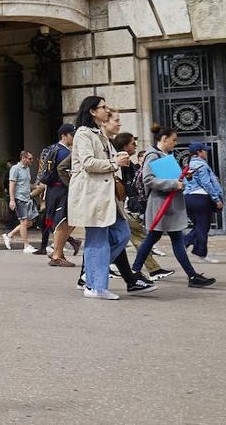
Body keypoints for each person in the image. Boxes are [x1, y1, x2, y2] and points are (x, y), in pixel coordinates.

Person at [68, 96, 153, 300]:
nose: (107, 110)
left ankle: (93, 273)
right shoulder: (83, 133)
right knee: (98, 240)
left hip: (107, 196)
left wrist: (118, 161)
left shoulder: (100, 135)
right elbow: (88, 162)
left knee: (122, 233)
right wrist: (114, 163)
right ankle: (96, 286)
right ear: (92, 111)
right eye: (103, 107)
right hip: (93, 194)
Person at [130, 125, 216, 288]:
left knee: (165, 239)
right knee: (156, 239)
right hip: (161, 205)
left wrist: (185, 177)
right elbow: (148, 180)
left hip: (169, 205)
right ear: (164, 139)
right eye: (173, 140)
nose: (175, 143)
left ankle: (191, 276)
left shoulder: (164, 154)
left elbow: (173, 178)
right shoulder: (153, 156)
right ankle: (135, 272)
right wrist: (173, 184)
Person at [112, 128, 168, 280]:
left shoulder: (130, 163)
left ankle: (148, 269)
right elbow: (128, 185)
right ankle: (145, 271)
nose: (135, 145)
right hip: (123, 206)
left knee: (131, 238)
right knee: (137, 237)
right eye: (132, 143)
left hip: (125, 205)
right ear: (124, 146)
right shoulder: (122, 162)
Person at [37, 124, 81, 266]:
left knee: (63, 221)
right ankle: (57, 255)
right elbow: (65, 172)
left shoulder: (54, 149)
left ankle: (58, 251)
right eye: (72, 135)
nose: (74, 138)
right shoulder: (63, 152)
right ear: (64, 135)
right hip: (61, 190)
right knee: (63, 222)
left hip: (53, 191)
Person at [182, 142, 224, 264]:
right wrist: (216, 199)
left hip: (188, 198)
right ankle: (198, 251)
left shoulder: (188, 165)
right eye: (205, 151)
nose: (207, 152)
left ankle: (191, 245)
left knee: (199, 226)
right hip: (201, 198)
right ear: (199, 152)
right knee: (202, 226)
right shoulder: (202, 166)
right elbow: (206, 183)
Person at [3, 151, 37, 252]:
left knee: (29, 222)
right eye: (30, 159)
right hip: (19, 198)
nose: (32, 161)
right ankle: (26, 245)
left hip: (27, 198)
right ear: (23, 158)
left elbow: (26, 184)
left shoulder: (27, 169)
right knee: (24, 221)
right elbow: (12, 185)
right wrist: (12, 200)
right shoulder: (15, 169)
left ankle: (9, 235)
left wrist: (36, 187)